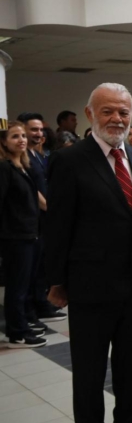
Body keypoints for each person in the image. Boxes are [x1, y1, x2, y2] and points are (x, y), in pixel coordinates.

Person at [45, 83, 132, 422]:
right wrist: (56, 280)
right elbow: (58, 224)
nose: (116, 119)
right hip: (89, 289)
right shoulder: (68, 160)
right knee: (89, 378)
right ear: (89, 114)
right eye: (107, 111)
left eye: (123, 112)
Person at [0, 121, 47, 348]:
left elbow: (37, 197)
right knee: (17, 286)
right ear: (3, 142)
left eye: (22, 136)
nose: (21, 140)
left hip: (30, 232)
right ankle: (17, 333)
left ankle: (22, 325)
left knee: (25, 282)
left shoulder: (23, 166)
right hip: (15, 236)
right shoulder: (4, 168)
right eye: (14, 136)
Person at [18, 113, 67, 327]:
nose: (38, 134)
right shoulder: (22, 157)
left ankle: (41, 304)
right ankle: (28, 313)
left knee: (41, 267)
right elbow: (32, 189)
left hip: (45, 220)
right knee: (28, 272)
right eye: (33, 130)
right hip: (33, 220)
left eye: (40, 130)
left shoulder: (37, 155)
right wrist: (51, 208)